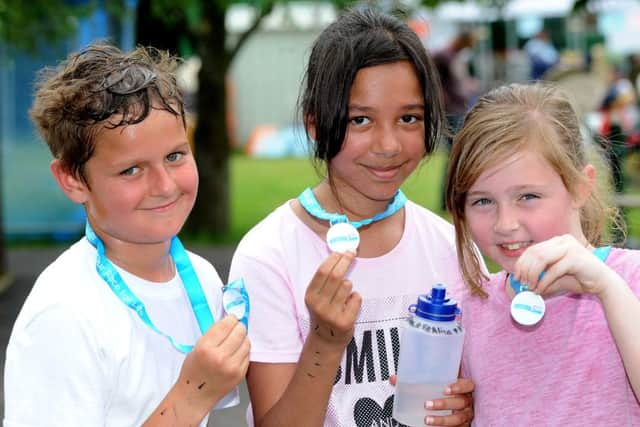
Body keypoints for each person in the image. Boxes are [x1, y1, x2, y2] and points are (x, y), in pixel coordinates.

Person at [228, 8, 476, 427]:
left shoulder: (450, 246)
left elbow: (471, 390)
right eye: (360, 120)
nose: (388, 144)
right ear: (315, 125)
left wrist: (465, 410)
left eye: (409, 118)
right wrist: (324, 342)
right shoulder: (267, 255)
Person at [4, 44, 250, 426]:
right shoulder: (64, 316)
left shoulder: (199, 278)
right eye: (132, 170)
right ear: (72, 179)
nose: (165, 185)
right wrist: (189, 396)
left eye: (175, 156)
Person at [444, 83, 640, 425]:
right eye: (482, 201)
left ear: (580, 188)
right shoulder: (469, 309)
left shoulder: (630, 281)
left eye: (528, 196)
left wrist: (607, 288)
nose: (505, 224)